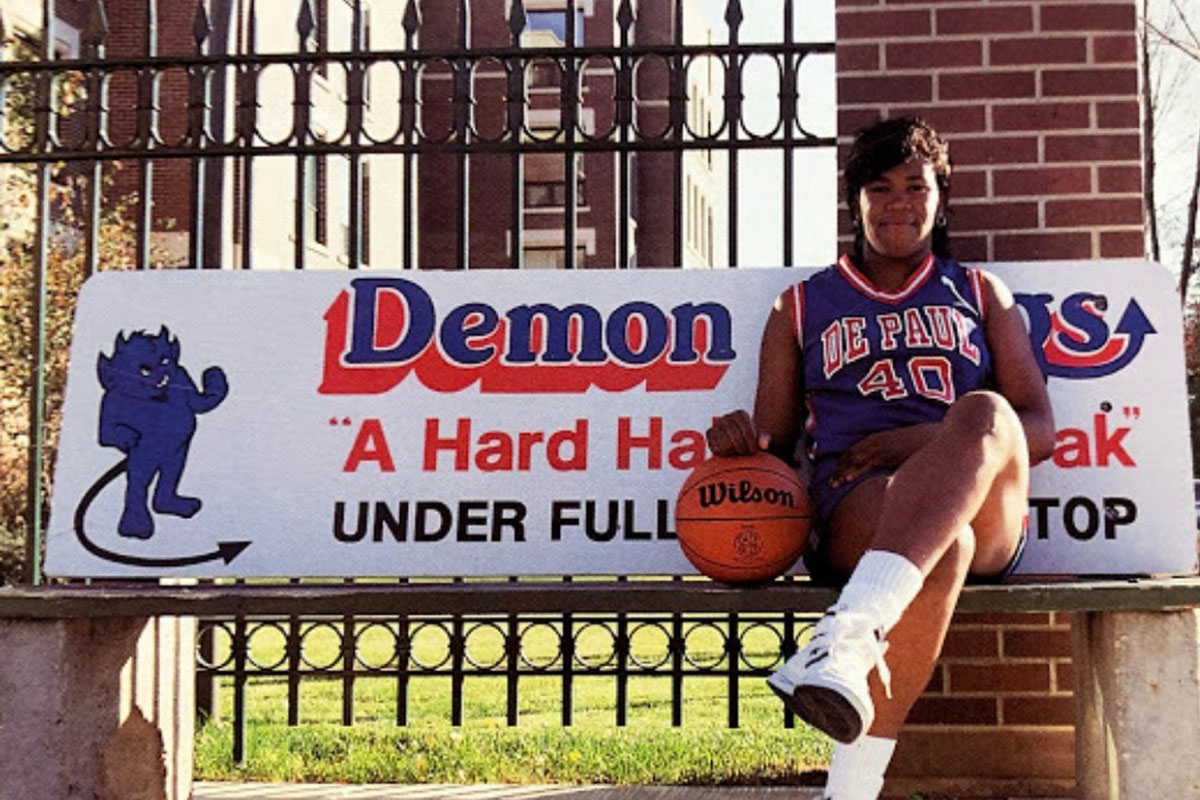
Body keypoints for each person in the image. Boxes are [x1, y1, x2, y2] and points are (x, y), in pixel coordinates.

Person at [705, 117, 1055, 800]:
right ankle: (852, 787)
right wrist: (739, 440)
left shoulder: (981, 292)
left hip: (982, 495)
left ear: (942, 199)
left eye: (916, 187)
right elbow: (775, 443)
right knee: (941, 547)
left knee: (983, 412)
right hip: (857, 499)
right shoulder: (801, 305)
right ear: (855, 202)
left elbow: (1035, 426)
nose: (899, 202)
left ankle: (846, 632)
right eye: (880, 187)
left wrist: (925, 438)